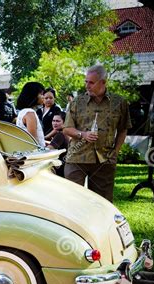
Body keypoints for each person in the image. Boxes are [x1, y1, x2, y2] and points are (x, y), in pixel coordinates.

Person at [63, 64, 132, 202]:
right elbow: (66, 129)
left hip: (104, 160)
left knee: (102, 202)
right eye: (86, 82)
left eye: (91, 83)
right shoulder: (77, 102)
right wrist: (83, 134)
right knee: (72, 200)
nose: (87, 86)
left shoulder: (119, 102)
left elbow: (123, 129)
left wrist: (115, 152)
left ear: (103, 82)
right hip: (77, 158)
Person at [16, 82, 45, 146]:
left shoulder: (23, 112)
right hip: (36, 154)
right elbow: (34, 140)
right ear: (33, 95)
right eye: (41, 94)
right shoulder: (30, 113)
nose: (43, 97)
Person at [46, 112, 69, 177]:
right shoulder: (66, 133)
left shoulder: (60, 135)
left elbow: (47, 150)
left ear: (65, 122)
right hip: (65, 167)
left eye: (58, 121)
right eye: (53, 121)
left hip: (59, 168)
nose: (54, 123)